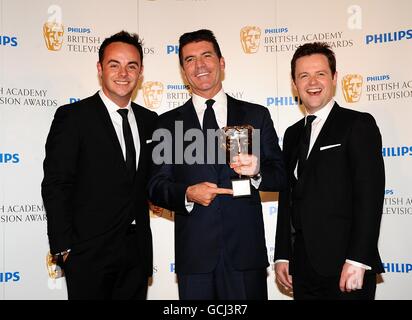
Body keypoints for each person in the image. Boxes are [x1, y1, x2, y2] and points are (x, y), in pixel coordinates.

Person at [148, 29, 286, 300]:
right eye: (190, 59)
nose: (200, 65)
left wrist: (257, 170)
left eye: (207, 56)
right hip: (195, 258)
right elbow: (155, 185)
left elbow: (280, 175)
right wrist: (187, 193)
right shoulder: (166, 124)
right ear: (183, 70)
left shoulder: (256, 115)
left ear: (221, 63)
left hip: (246, 255)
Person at [41, 31, 157, 300]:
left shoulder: (151, 120)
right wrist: (64, 248)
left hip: (136, 254)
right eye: (114, 64)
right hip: (87, 255)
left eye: (132, 66)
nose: (123, 73)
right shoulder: (73, 117)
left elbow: (155, 179)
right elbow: (57, 184)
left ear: (140, 72)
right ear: (100, 68)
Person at [274, 42, 385, 300]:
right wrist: (283, 254)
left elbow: (369, 196)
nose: (312, 82)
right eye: (303, 75)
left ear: (334, 78)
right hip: (302, 268)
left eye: (320, 73)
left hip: (345, 268)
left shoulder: (357, 124)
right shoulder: (292, 134)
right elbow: (287, 198)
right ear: (294, 83)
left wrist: (358, 259)